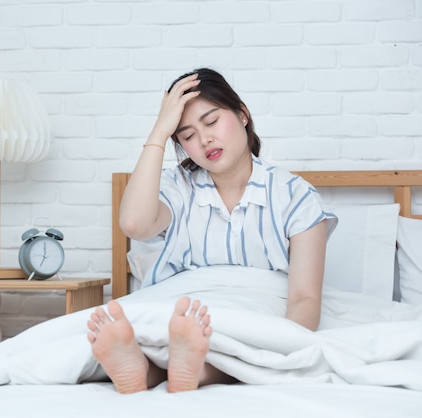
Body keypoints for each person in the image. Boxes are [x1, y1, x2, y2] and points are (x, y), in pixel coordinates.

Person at [86, 68, 337, 394]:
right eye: (187, 136)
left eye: (212, 121)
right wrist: (160, 130)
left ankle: (185, 366)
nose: (204, 140)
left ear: (243, 115)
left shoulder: (295, 196)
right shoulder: (176, 187)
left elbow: (304, 298)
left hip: (254, 312)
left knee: (232, 346)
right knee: (167, 335)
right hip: (177, 305)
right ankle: (144, 366)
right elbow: (134, 224)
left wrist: (278, 347)